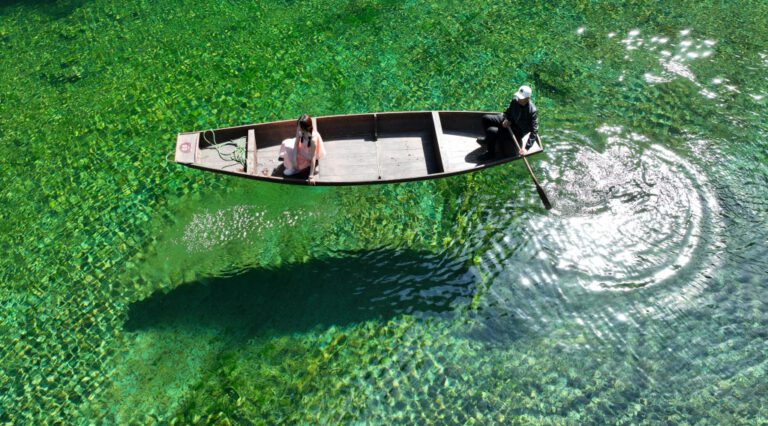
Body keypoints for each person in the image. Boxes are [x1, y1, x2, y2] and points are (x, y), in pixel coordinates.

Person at [477, 85, 539, 162]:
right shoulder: (515, 100)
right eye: (519, 97)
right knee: (485, 118)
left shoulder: (532, 111)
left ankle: (491, 153)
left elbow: (534, 131)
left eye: (521, 98)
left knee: (491, 131)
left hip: (517, 131)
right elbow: (507, 112)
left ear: (528, 98)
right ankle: (488, 140)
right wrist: (507, 119)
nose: (519, 99)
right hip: (509, 121)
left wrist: (526, 148)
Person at [280, 114, 326, 185]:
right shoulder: (300, 129)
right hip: (302, 147)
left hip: (308, 154)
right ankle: (294, 165)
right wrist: (294, 159)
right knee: (285, 143)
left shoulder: (313, 139)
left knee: (295, 163)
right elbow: (296, 144)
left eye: (300, 126)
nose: (298, 127)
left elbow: (313, 157)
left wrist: (311, 176)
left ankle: (296, 169)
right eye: (298, 125)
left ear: (306, 128)